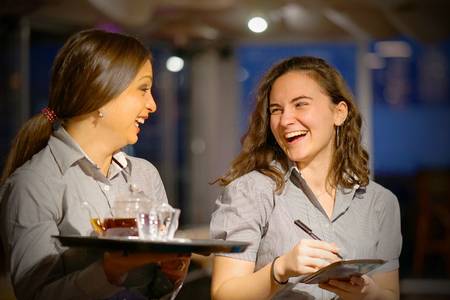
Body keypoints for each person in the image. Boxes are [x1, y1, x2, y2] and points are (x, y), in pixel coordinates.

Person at [0, 29, 190, 300]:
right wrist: (109, 272)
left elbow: (156, 291)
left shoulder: (145, 174)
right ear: (101, 91)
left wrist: (171, 275)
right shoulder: (34, 183)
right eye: (144, 89)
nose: (153, 105)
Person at [210, 56, 402, 299]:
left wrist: (368, 294)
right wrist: (280, 269)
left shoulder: (380, 202)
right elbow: (223, 294)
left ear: (339, 113)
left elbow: (390, 294)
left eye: (300, 104)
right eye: (276, 110)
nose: (285, 120)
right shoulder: (250, 191)